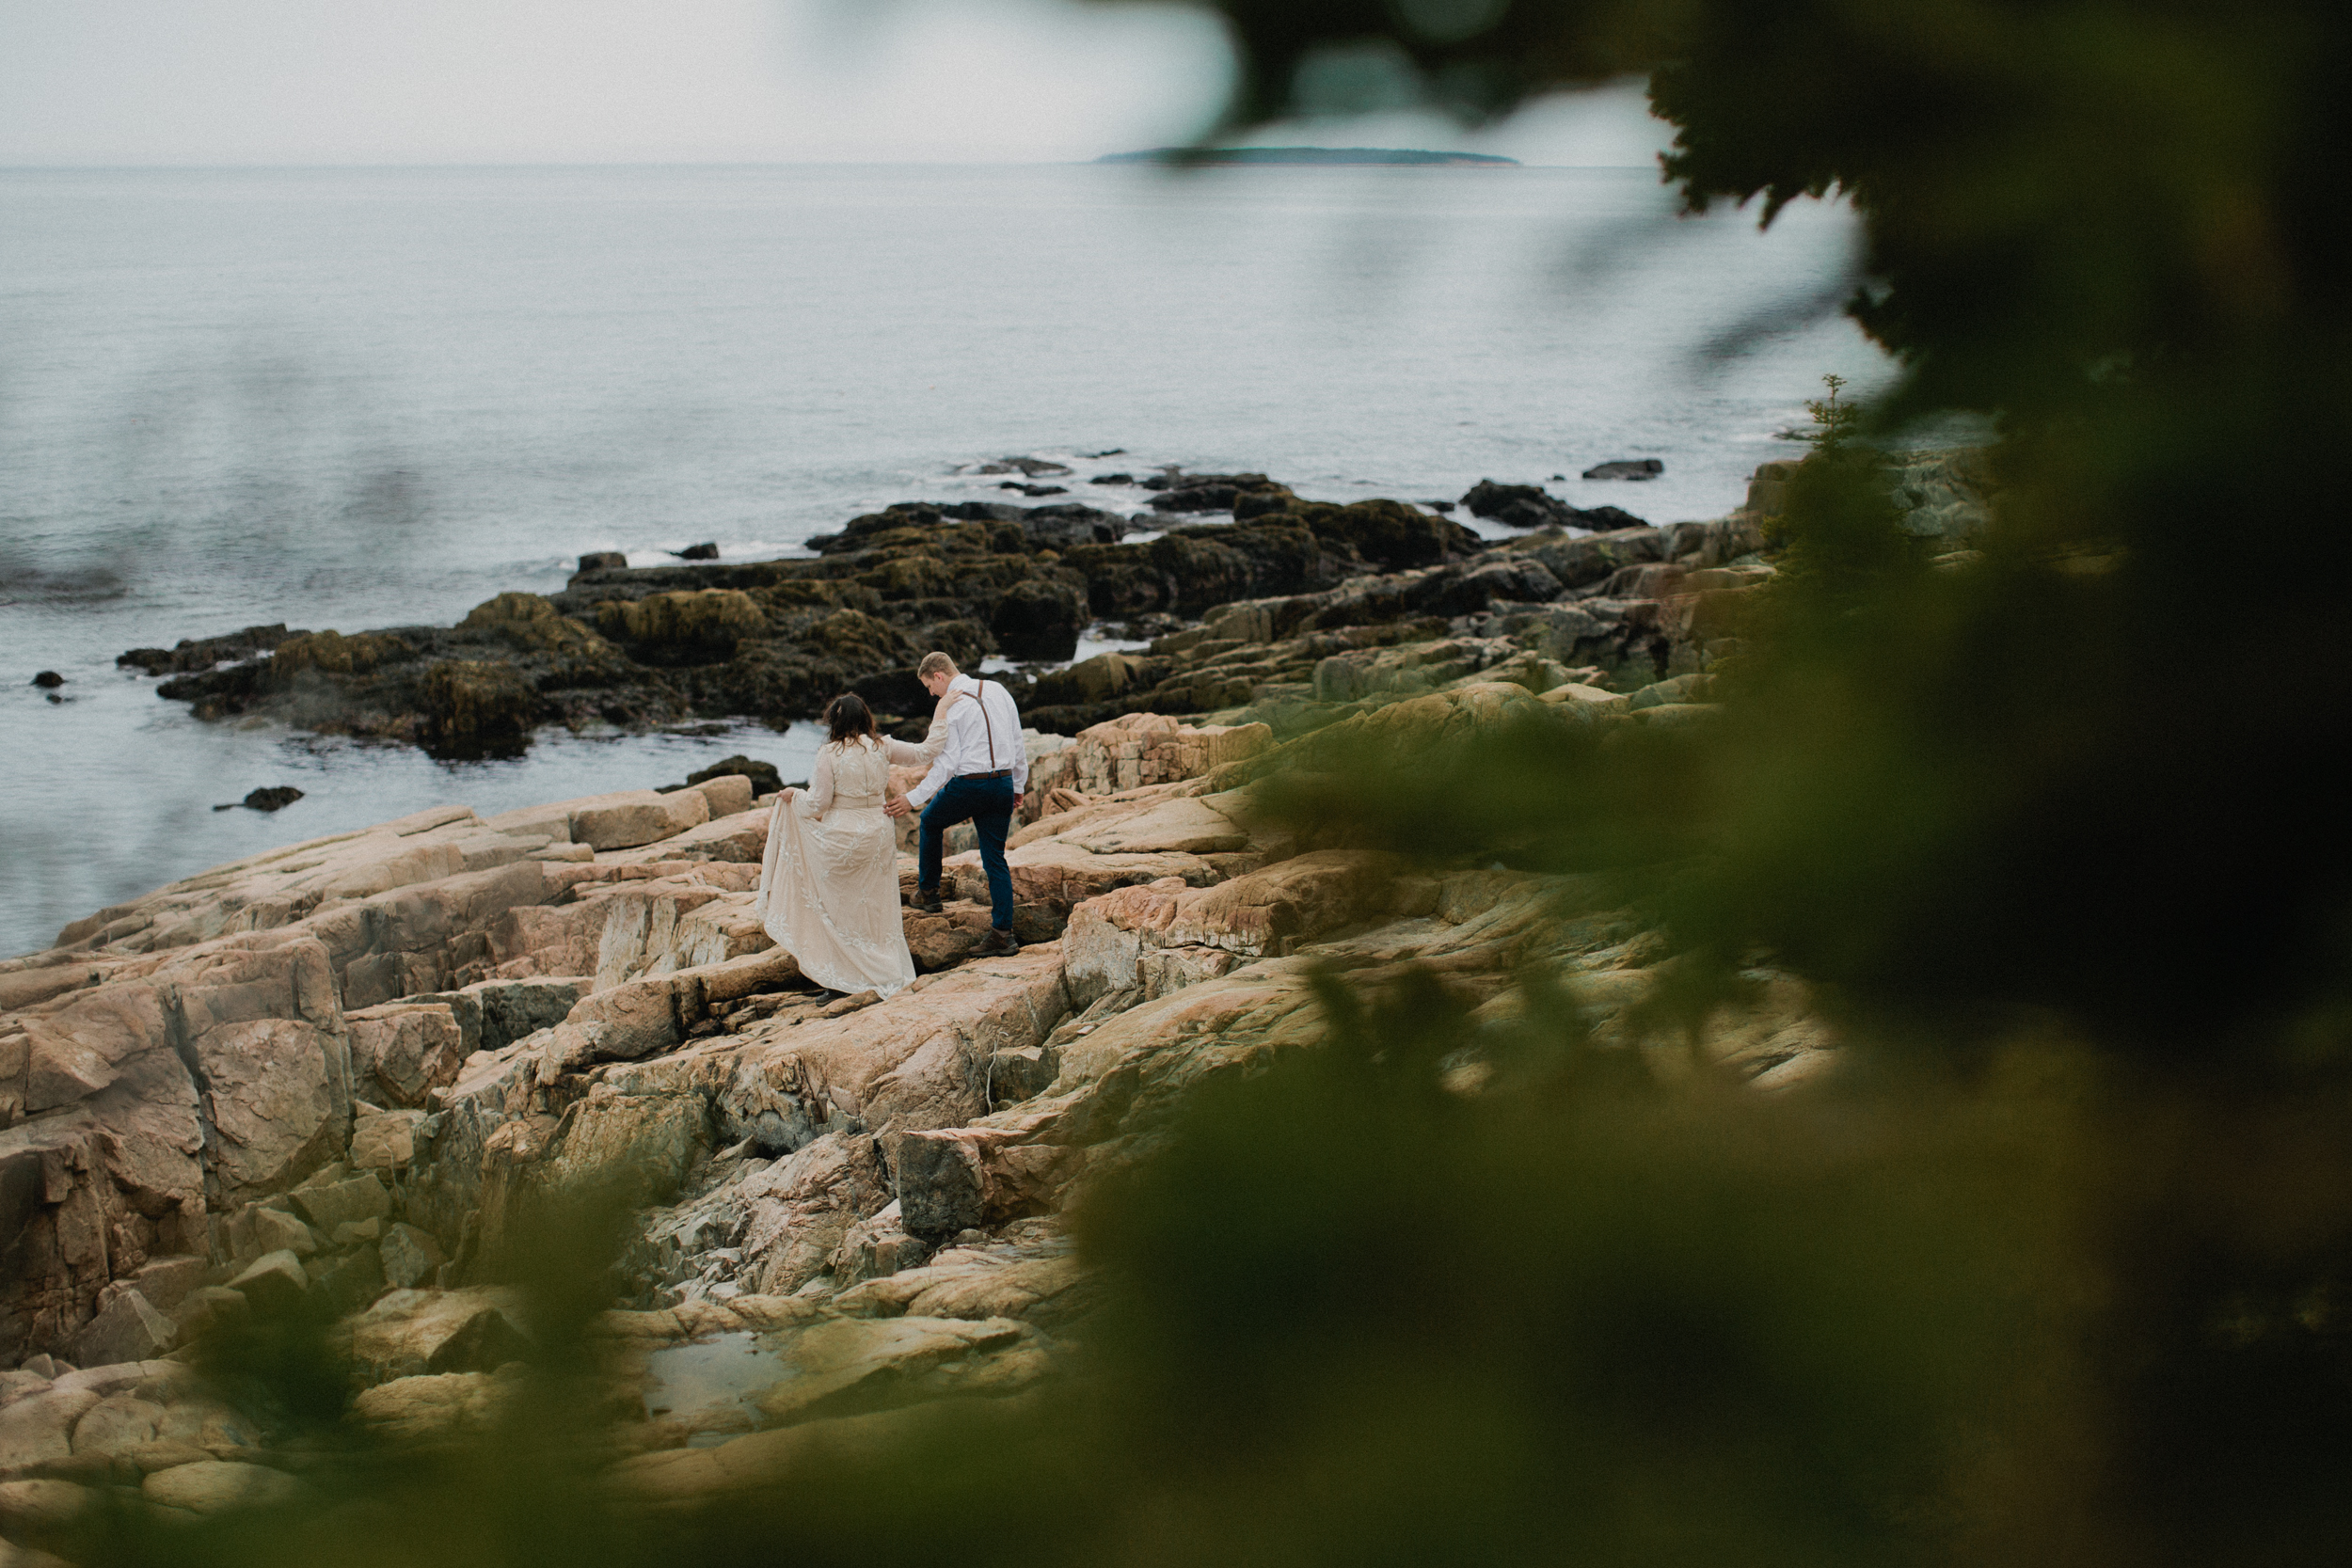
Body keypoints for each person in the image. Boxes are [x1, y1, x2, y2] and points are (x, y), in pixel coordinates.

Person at [753, 692, 917, 998]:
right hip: (878, 834)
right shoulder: (884, 746)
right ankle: (879, 967)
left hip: (842, 837)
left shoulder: (830, 753)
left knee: (835, 906)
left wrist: (794, 795)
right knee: (872, 905)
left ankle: (842, 980)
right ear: (866, 717)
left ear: (835, 721)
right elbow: (923, 754)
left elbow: (818, 804)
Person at [883, 651, 1025, 956]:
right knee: (995, 859)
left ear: (939, 675)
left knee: (930, 822)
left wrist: (912, 798)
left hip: (969, 786)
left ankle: (929, 893)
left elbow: (946, 766)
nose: (931, 693)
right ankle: (1003, 935)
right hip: (1001, 782)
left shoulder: (950, 706)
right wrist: (1017, 785)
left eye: (929, 686)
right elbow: (1017, 741)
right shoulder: (998, 689)